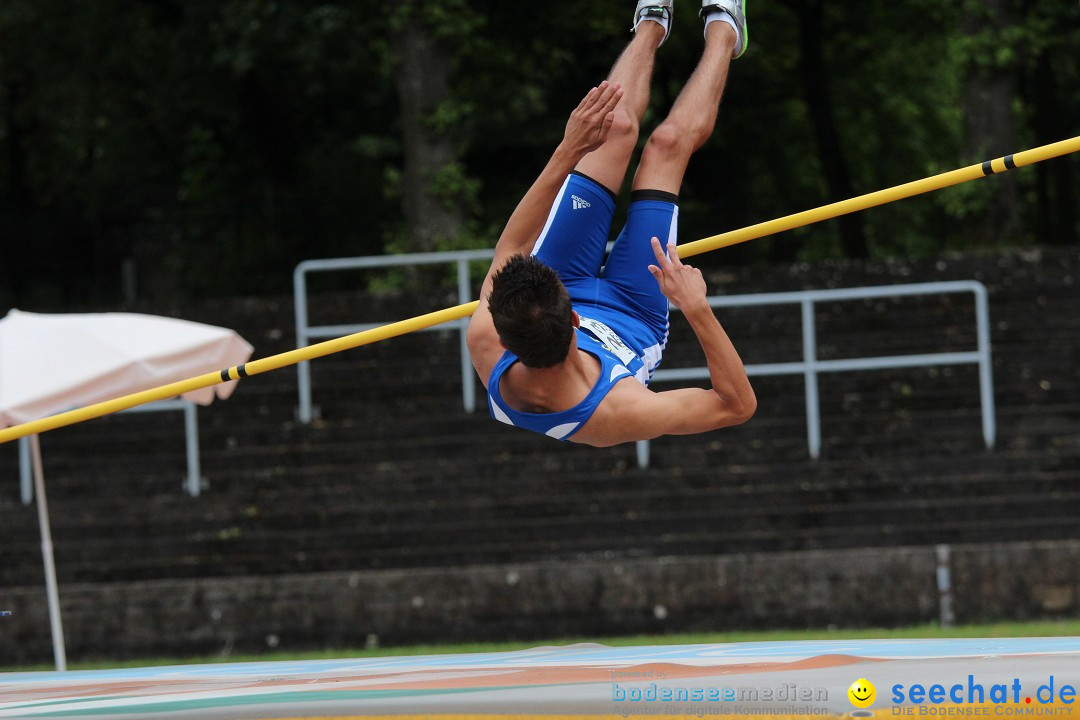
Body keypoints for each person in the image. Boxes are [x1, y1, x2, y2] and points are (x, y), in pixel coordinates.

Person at [466, 0, 756, 446]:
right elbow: (736, 406)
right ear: (577, 322)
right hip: (636, 313)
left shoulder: (488, 335)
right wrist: (695, 307)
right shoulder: (618, 410)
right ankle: (725, 29)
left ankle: (652, 24)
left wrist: (570, 149)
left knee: (613, 127)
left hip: (561, 283)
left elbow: (514, 247)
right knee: (666, 144)